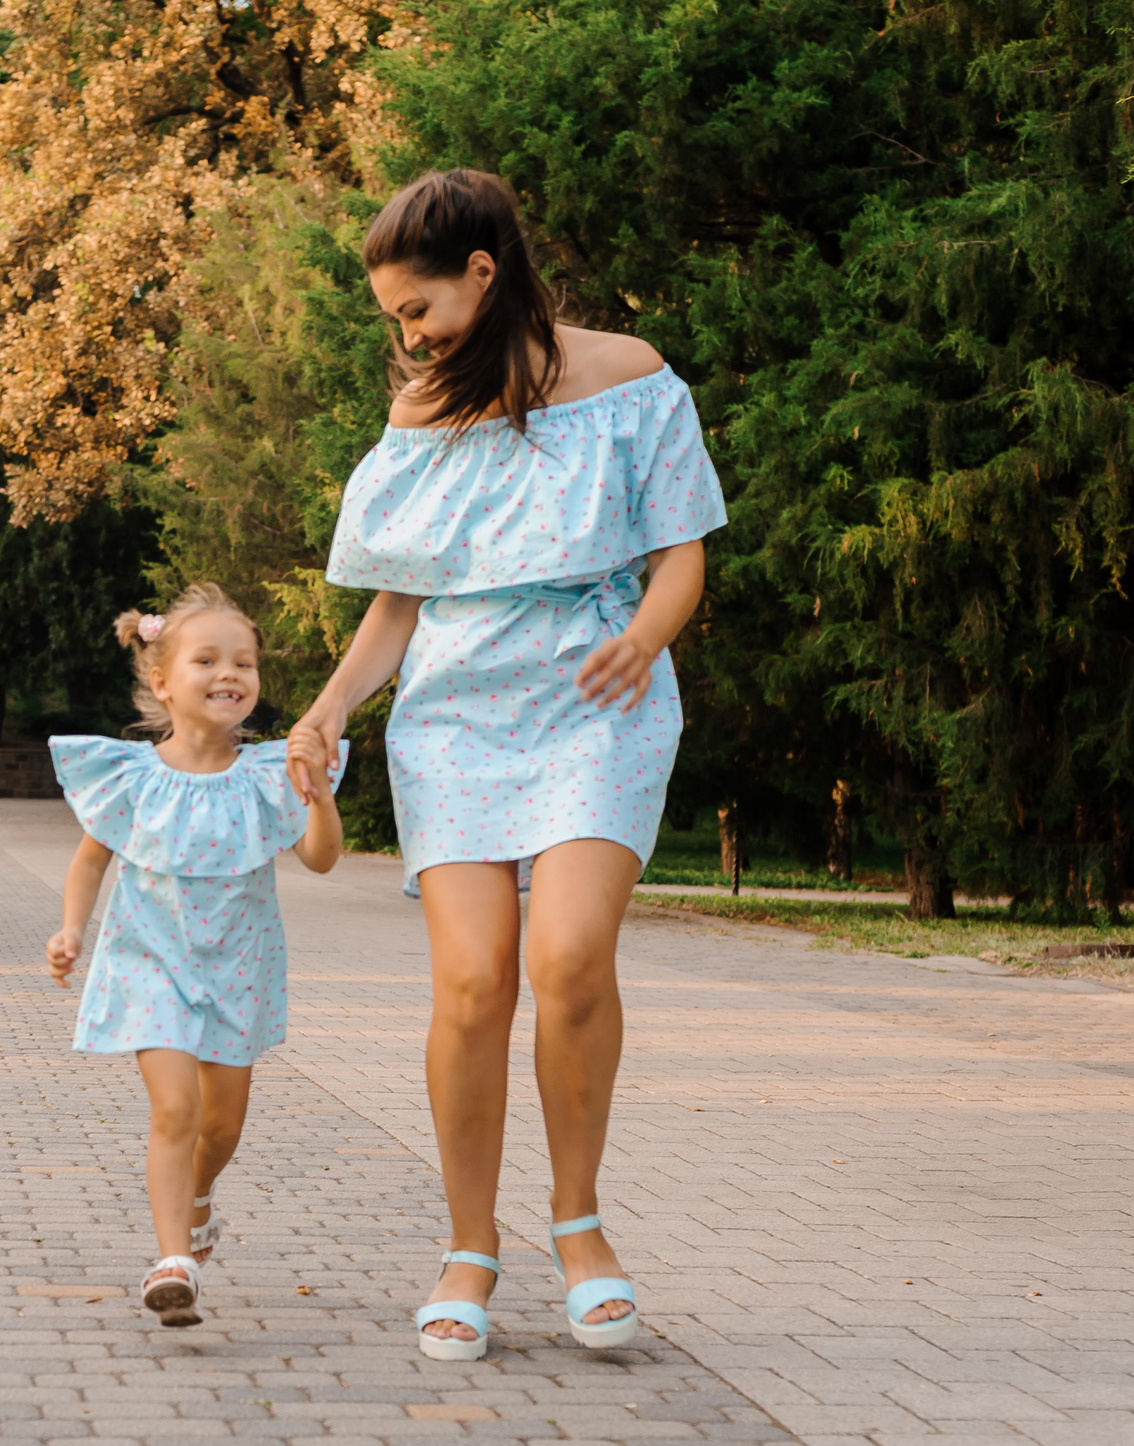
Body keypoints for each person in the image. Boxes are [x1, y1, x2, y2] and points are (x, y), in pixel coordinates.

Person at [285, 169, 727, 1361]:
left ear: (483, 273)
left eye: (417, 308)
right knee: (475, 982)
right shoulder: (424, 418)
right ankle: (468, 1246)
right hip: (457, 715)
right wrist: (326, 712)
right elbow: (396, 607)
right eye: (396, 317)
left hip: (601, 697)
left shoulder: (632, 379)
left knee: (570, 953)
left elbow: (682, 554)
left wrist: (642, 633)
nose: (408, 334)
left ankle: (578, 1225)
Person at [46, 584, 347, 1326]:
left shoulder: (271, 772)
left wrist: (319, 792)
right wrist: (72, 931)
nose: (230, 673)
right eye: (207, 659)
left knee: (221, 1127)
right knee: (176, 1108)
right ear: (162, 681)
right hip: (149, 965)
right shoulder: (133, 777)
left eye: (243, 661)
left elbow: (321, 858)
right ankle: (172, 1259)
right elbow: (90, 862)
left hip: (237, 970)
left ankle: (202, 1193)